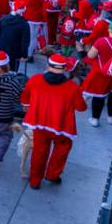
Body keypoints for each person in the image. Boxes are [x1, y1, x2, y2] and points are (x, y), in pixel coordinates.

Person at [21, 54, 87, 189]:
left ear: (48, 66)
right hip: (61, 127)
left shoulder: (35, 80)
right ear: (64, 69)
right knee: (63, 148)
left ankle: (35, 181)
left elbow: (25, 96)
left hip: (39, 124)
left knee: (39, 152)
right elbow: (81, 108)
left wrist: (27, 106)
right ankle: (52, 174)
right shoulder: (73, 88)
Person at [0, 3, 30, 72]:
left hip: (1, 47)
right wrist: (24, 55)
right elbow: (25, 41)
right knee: (12, 71)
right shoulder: (24, 24)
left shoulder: (3, 18)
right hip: (15, 51)